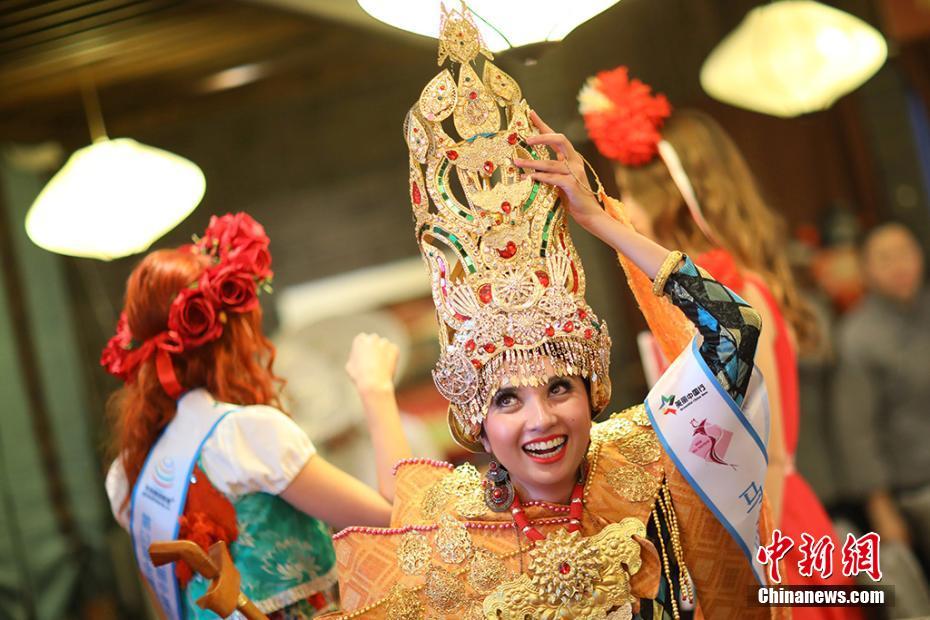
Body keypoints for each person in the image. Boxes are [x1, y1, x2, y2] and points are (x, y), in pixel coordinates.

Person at [319, 7, 782, 619]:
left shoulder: (646, 458)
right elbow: (396, 499)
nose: (541, 420)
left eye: (559, 386)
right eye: (507, 399)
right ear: (475, 421)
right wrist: (374, 390)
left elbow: (735, 330)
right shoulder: (450, 524)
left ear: (593, 391)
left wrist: (600, 221)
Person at [579, 66, 860, 617]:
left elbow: (768, 449)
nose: (627, 210)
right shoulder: (728, 279)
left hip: (765, 516)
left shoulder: (721, 284)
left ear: (670, 196)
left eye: (629, 193)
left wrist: (762, 557)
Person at [102, 213, 410, 619]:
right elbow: (402, 521)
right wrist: (376, 388)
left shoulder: (128, 475)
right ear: (237, 336)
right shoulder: (245, 435)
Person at [834, 223, 930, 570]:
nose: (899, 266)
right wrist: (881, 508)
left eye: (905, 253)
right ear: (866, 270)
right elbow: (856, 432)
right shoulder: (858, 337)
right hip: (916, 489)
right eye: (885, 259)